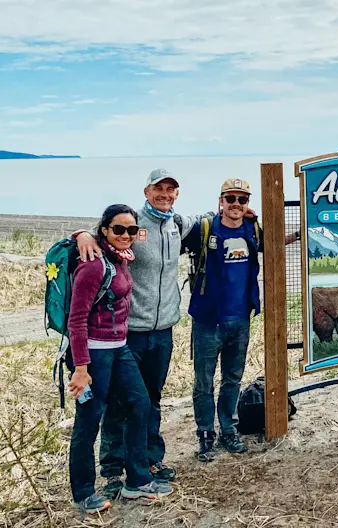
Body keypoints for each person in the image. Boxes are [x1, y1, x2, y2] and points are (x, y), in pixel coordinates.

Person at [75, 169, 218, 497]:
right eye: (159, 189)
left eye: (171, 190)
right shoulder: (130, 223)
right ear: (147, 190)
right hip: (129, 333)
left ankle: (149, 459)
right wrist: (80, 232)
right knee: (118, 402)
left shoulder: (176, 224)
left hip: (163, 330)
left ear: (176, 195)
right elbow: (98, 236)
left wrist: (230, 209)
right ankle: (112, 469)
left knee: (150, 399)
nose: (165, 195)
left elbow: (205, 217)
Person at [182, 178, 298, 461]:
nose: (236, 204)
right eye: (230, 198)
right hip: (208, 320)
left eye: (242, 199)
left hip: (240, 319)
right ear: (221, 200)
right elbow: (169, 235)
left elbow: (271, 243)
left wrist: (298, 234)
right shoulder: (204, 228)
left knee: (232, 379)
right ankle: (205, 434)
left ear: (248, 202)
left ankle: (228, 430)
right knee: (203, 381)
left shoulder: (251, 229)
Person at [67, 205, 173, 515]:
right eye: (118, 230)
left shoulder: (120, 258)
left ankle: (136, 481)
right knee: (88, 421)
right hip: (95, 354)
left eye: (130, 230)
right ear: (104, 231)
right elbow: (77, 320)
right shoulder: (93, 265)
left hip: (119, 347)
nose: (125, 235)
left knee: (140, 403)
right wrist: (81, 368)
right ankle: (83, 492)